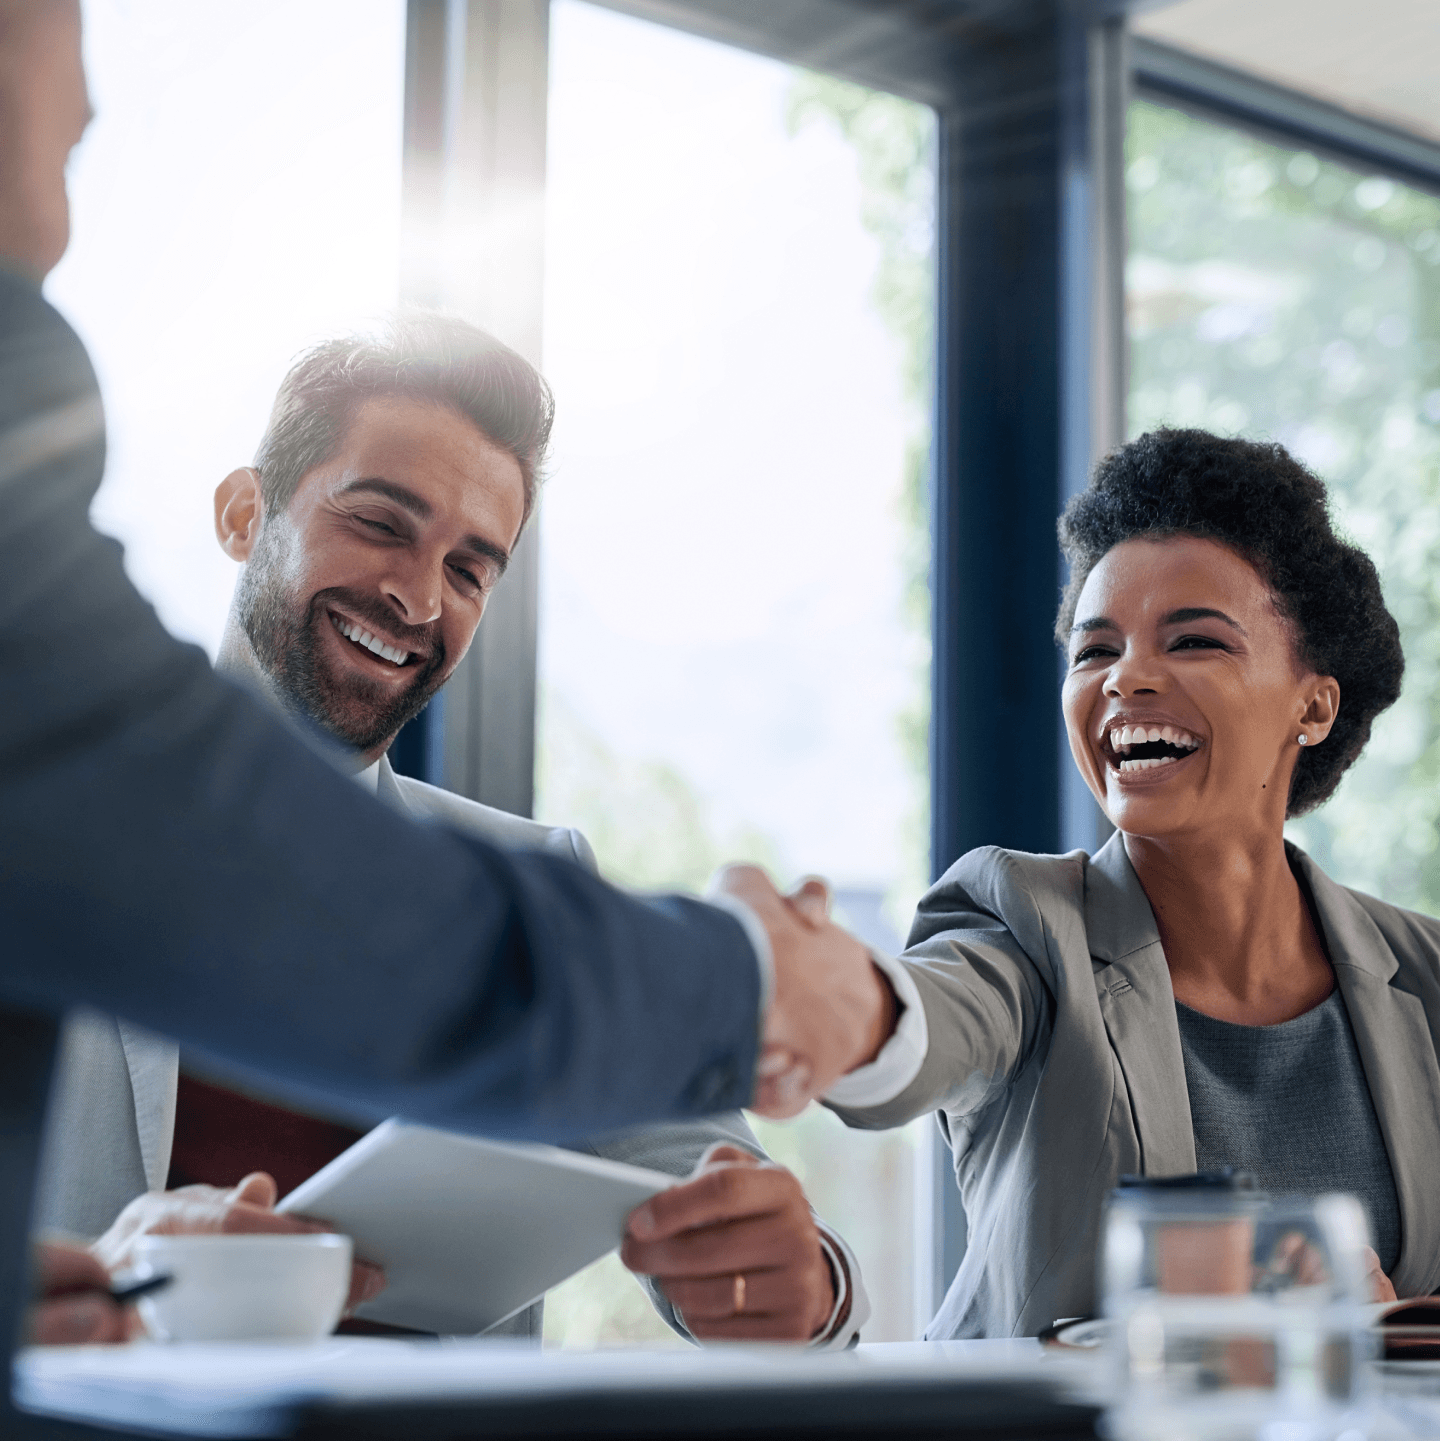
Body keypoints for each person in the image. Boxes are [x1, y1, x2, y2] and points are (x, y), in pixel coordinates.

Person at [0, 0, 892, 1361]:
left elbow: (729, 1204)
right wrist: (755, 979)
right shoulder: (80, 789)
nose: (419, 597)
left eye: (474, 565)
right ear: (247, 512)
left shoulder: (539, 874)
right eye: (378, 521)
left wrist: (802, 1281)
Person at [828, 428, 1434, 1337]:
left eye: (1193, 641)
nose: (1128, 679)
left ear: (1313, 702)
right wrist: (826, 1000)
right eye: (1093, 650)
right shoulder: (1023, 926)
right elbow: (919, 1023)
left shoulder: (1423, 971)